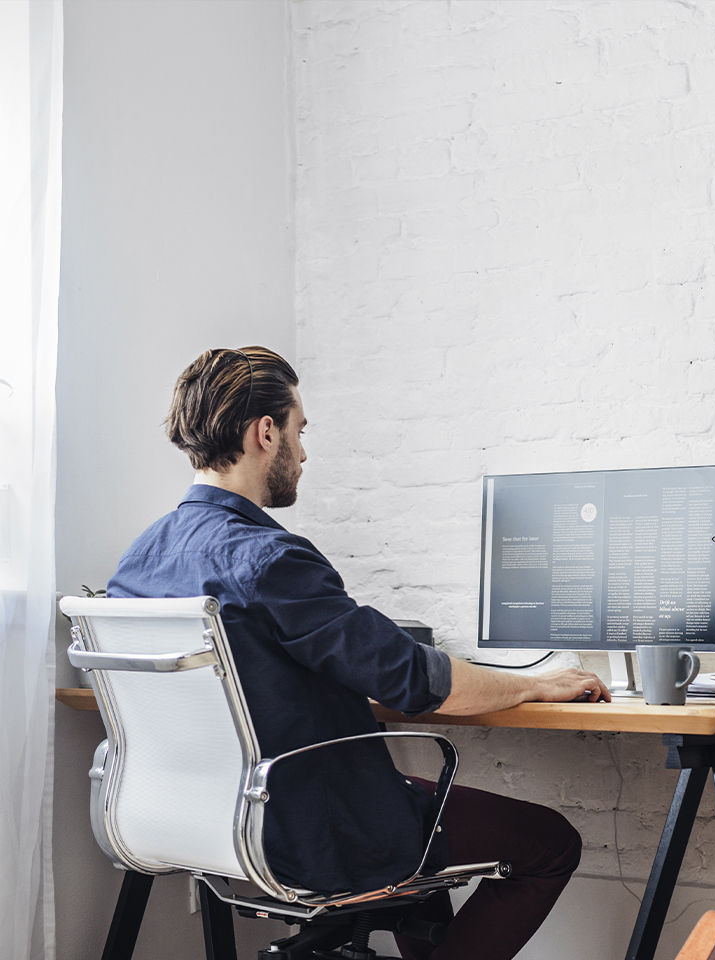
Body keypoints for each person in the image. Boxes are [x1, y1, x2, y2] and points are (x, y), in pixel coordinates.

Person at [107, 346, 610, 960]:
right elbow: (414, 681)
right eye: (300, 429)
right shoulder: (269, 558)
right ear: (266, 432)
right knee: (550, 841)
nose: (305, 451)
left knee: (415, 814)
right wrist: (535, 684)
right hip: (308, 828)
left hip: (203, 821)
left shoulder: (140, 558)